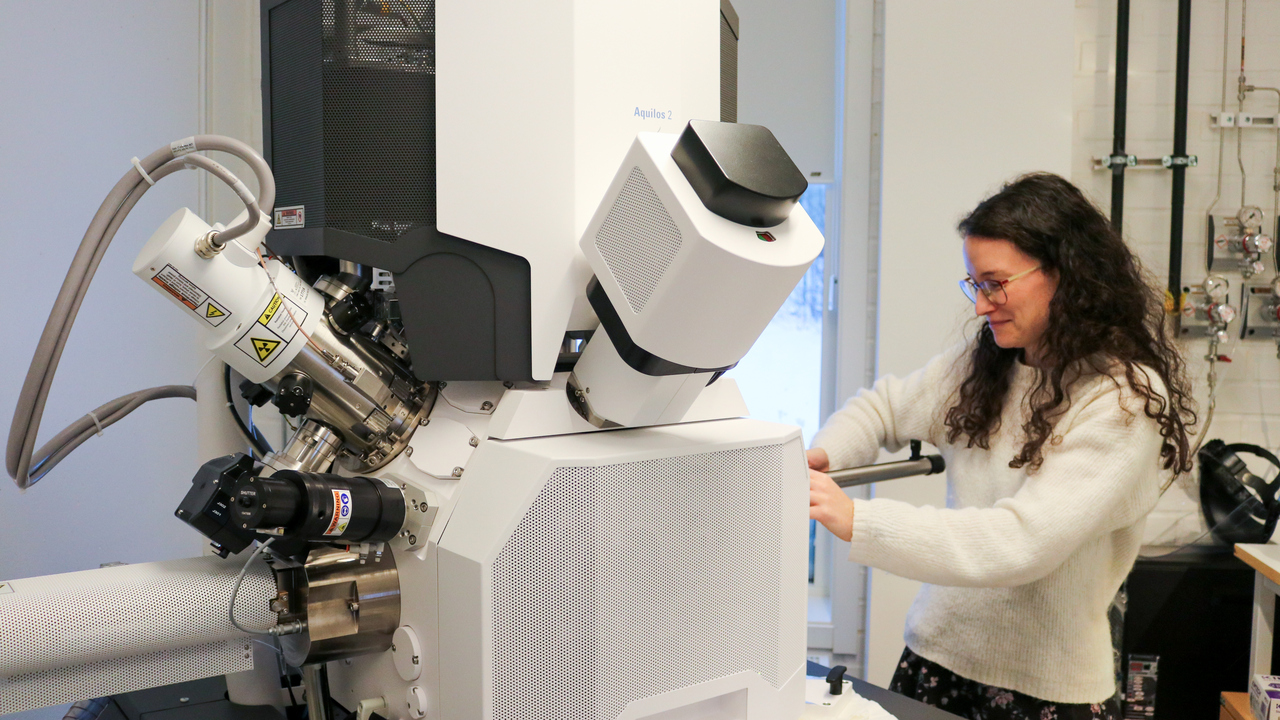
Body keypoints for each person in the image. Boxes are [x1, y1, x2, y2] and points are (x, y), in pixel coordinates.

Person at [807, 173, 1196, 720]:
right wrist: (825, 456)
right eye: (975, 285)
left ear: (1064, 275)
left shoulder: (1122, 400)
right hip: (935, 660)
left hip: (1048, 691)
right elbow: (885, 408)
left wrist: (858, 520)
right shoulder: (989, 363)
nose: (981, 306)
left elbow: (1021, 543)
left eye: (995, 283)